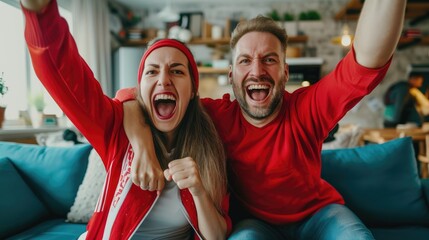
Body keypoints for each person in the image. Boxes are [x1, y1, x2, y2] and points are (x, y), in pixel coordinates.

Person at [117, 1, 406, 239]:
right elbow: (130, 96)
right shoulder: (214, 115)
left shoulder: (308, 108)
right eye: (245, 61)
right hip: (254, 224)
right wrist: (142, 148)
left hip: (320, 216)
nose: (257, 71)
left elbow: (367, 60)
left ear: (284, 71)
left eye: (269, 59)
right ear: (232, 75)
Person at [19, 1, 231, 239]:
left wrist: (199, 191)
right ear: (140, 89)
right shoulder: (116, 129)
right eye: (152, 71)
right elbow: (65, 74)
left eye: (177, 71)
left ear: (193, 90)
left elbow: (217, 236)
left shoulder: (210, 145)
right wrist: (40, 14)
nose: (163, 80)